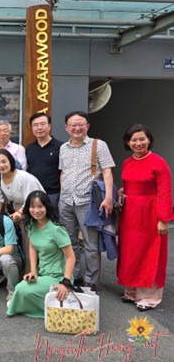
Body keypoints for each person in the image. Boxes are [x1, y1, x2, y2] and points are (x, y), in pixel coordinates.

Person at [117, 124, 173, 311]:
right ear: (127, 142)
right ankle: (132, 290)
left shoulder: (159, 163)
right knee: (131, 252)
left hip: (150, 214)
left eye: (142, 139)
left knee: (150, 253)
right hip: (130, 215)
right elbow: (128, 185)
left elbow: (165, 193)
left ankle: (149, 296)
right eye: (134, 140)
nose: (138, 143)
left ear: (149, 140)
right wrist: (121, 193)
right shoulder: (127, 162)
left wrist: (164, 219)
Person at [59, 111, 115, 290]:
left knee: (91, 244)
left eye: (80, 124)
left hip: (87, 202)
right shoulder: (63, 148)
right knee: (69, 241)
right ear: (66, 128)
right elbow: (63, 172)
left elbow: (107, 171)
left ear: (87, 126)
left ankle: (91, 280)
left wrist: (108, 198)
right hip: (66, 201)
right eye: (73, 125)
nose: (77, 128)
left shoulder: (98, 145)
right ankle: (74, 275)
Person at [7, 191, 75, 318]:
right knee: (22, 288)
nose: (36, 210)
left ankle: (52, 308)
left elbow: (71, 257)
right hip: (43, 273)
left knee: (21, 289)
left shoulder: (56, 229)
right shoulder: (32, 225)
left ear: (47, 207)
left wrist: (65, 282)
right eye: (32, 207)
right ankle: (51, 307)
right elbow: (33, 247)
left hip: (59, 276)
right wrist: (33, 271)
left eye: (40, 206)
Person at [0, 148, 44, 271]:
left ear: (10, 161)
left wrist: (19, 213)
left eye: (4, 161)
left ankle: (30, 271)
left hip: (34, 210)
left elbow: (31, 199)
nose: (1, 165)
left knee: (28, 241)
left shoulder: (24, 177)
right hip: (15, 212)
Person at [25, 113, 63, 213]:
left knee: (54, 220)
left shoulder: (60, 147)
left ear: (49, 126)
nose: (39, 128)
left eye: (42, 124)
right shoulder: (29, 148)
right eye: (36, 125)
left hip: (53, 194)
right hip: (33, 193)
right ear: (32, 128)